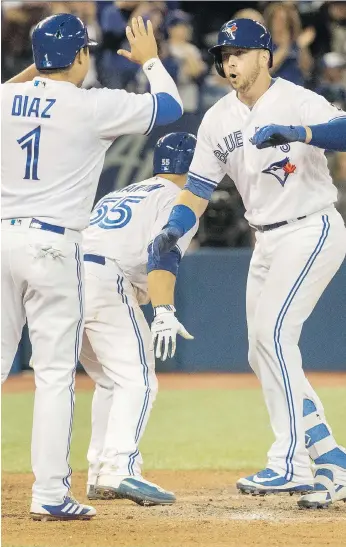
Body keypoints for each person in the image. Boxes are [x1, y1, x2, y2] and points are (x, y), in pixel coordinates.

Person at [150, 18, 346, 509]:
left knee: (276, 336)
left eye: (239, 52)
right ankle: (330, 459)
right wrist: (176, 226)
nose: (230, 61)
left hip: (310, 226)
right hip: (265, 239)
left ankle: (290, 462)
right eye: (224, 54)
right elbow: (196, 188)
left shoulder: (298, 99)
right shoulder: (217, 117)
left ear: (265, 56)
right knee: (262, 352)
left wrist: (302, 131)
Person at [1, 12, 183, 520]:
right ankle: (50, 494)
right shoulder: (91, 105)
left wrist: (32, 72)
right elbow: (170, 106)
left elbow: (12, 89)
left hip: (1, 240)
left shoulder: (4, 100)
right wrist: (150, 61)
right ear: (81, 56)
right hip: (56, 248)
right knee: (55, 376)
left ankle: (55, 491)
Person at [79, 132, 198, 506]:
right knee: (139, 379)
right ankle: (120, 468)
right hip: (103, 278)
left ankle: (100, 471)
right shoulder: (182, 199)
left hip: (66, 276)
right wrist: (164, 310)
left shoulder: (125, 191)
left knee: (110, 380)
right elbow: (161, 253)